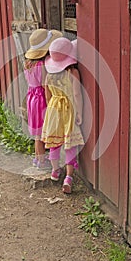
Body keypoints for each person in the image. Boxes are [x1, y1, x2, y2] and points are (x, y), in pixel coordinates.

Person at [41, 37, 85, 193]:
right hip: (68, 109)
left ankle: (54, 171)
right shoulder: (73, 72)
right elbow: (77, 94)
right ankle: (68, 177)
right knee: (69, 144)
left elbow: (47, 95)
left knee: (54, 142)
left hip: (54, 108)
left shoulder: (49, 75)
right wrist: (79, 112)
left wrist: (50, 109)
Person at [24, 28, 63, 168]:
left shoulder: (28, 63)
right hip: (41, 98)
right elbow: (45, 85)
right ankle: (41, 162)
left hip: (31, 97)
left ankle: (37, 158)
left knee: (37, 133)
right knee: (42, 133)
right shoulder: (43, 65)